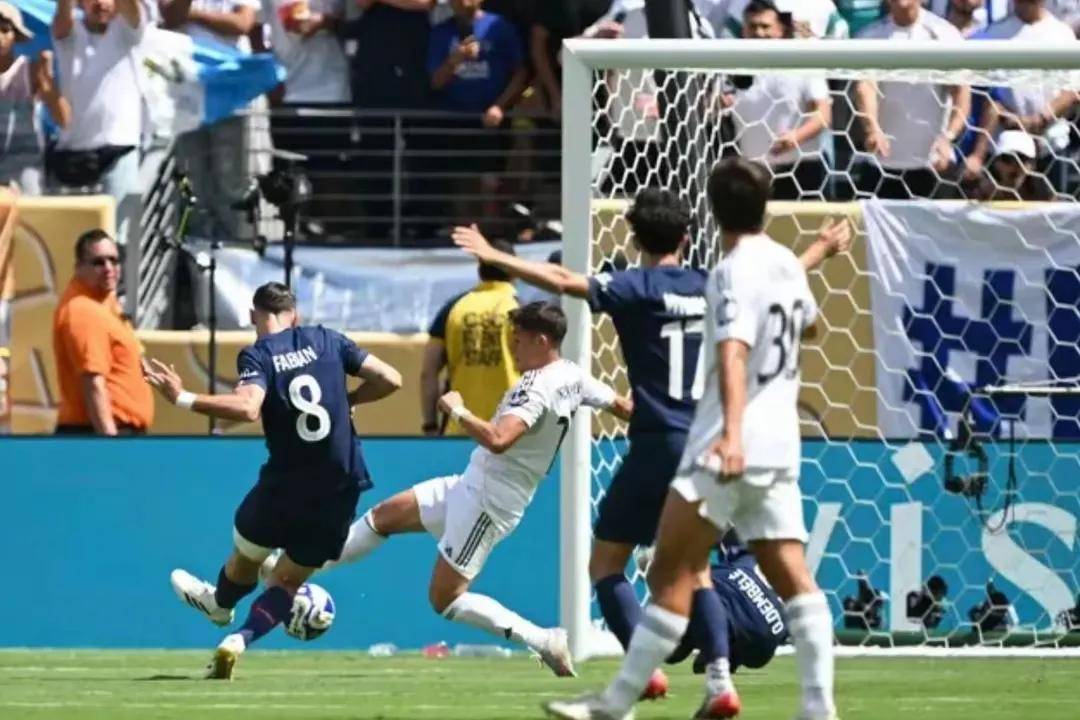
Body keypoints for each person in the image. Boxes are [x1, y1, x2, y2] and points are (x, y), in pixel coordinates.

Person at [453, 188, 848, 702]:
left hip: (658, 441)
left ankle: (645, 672)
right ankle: (720, 680)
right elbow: (774, 286)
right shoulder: (713, 283)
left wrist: (496, 255)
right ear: (687, 236)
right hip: (710, 443)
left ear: (635, 238)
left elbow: (564, 281)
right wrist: (820, 249)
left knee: (606, 563)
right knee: (697, 565)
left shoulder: (634, 288)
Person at [544, 159, 837, 720]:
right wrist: (819, 251)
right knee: (793, 579)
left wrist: (731, 433)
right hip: (781, 443)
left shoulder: (725, 273)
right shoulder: (778, 266)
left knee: (665, 570)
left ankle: (621, 701)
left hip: (723, 443)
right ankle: (816, 708)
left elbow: (732, 352)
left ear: (713, 215)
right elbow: (811, 326)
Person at [328, 301, 632, 676]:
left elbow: (500, 439)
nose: (513, 349)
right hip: (471, 484)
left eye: (518, 341)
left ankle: (542, 639)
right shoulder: (572, 374)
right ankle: (290, 569)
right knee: (383, 516)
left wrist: (457, 410)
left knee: (444, 598)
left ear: (541, 341)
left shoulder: (537, 387)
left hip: (489, 502)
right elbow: (622, 406)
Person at [142, 281, 402, 679]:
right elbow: (391, 378)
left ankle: (220, 606)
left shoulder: (259, 354)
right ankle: (238, 640)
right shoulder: (328, 339)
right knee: (287, 580)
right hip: (342, 484)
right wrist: (349, 400)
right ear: (294, 315)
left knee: (246, 557)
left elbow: (248, 408)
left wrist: (182, 398)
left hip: (287, 485)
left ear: (253, 316)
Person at [161, 0, 260, 241]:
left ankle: (235, 244)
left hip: (229, 90)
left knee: (231, 180)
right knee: (192, 178)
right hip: (187, 89)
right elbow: (170, 18)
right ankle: (196, 246)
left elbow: (242, 23)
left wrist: (193, 14)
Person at [51, 0, 147, 246]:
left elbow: (133, 10)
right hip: (73, 154)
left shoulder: (127, 32)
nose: (101, 3)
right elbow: (63, 15)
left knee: (113, 240)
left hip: (118, 153)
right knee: (68, 242)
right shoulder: (68, 33)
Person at [854, 0, 970, 200]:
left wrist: (948, 137)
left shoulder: (944, 34)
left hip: (933, 164)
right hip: (882, 162)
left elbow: (961, 93)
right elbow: (865, 87)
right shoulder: (870, 37)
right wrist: (872, 128)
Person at [725, 0, 833, 200]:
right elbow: (713, 106)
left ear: (781, 29)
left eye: (765, 26)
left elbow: (823, 114)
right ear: (743, 31)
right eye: (752, 26)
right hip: (752, 172)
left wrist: (796, 137)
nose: (759, 33)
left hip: (801, 169)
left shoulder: (803, 63)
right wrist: (717, 103)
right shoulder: (732, 69)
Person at [53, 229, 153, 435]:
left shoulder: (105, 303)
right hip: (96, 432)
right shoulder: (83, 310)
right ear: (79, 267)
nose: (108, 268)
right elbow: (93, 383)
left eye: (114, 260)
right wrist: (109, 446)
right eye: (98, 262)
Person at [422, 239, 519, 436]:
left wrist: (430, 425)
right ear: (514, 271)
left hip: (458, 428)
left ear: (479, 269)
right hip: (509, 430)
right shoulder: (521, 309)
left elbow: (428, 373)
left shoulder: (453, 308)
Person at [0, 3, 70, 195]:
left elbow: (64, 119)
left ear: (15, 36)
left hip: (24, 172)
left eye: (5, 30)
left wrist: (47, 86)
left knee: (29, 213)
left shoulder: (30, 70)